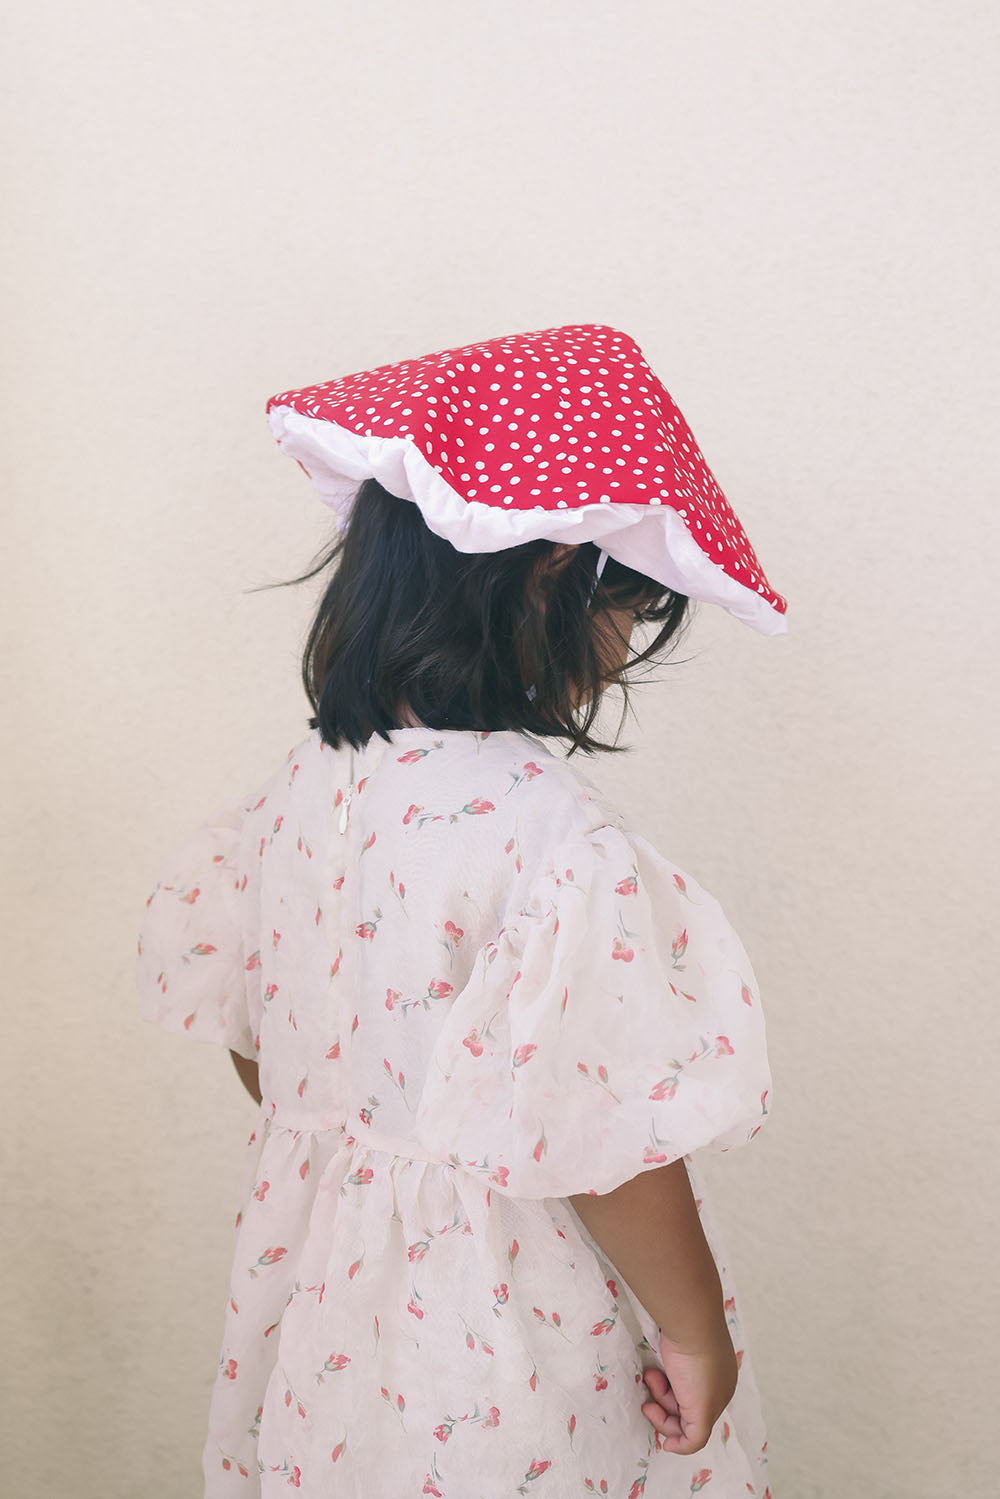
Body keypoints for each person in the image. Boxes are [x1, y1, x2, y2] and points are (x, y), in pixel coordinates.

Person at [136, 323, 785, 1498]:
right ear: (553, 568)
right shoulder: (551, 839)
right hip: (506, 1334)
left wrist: (369, 1138)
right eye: (628, 606)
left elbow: (262, 1044)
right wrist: (696, 1333)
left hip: (328, 1324)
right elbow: (601, 1142)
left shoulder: (299, 794)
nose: (620, 646)